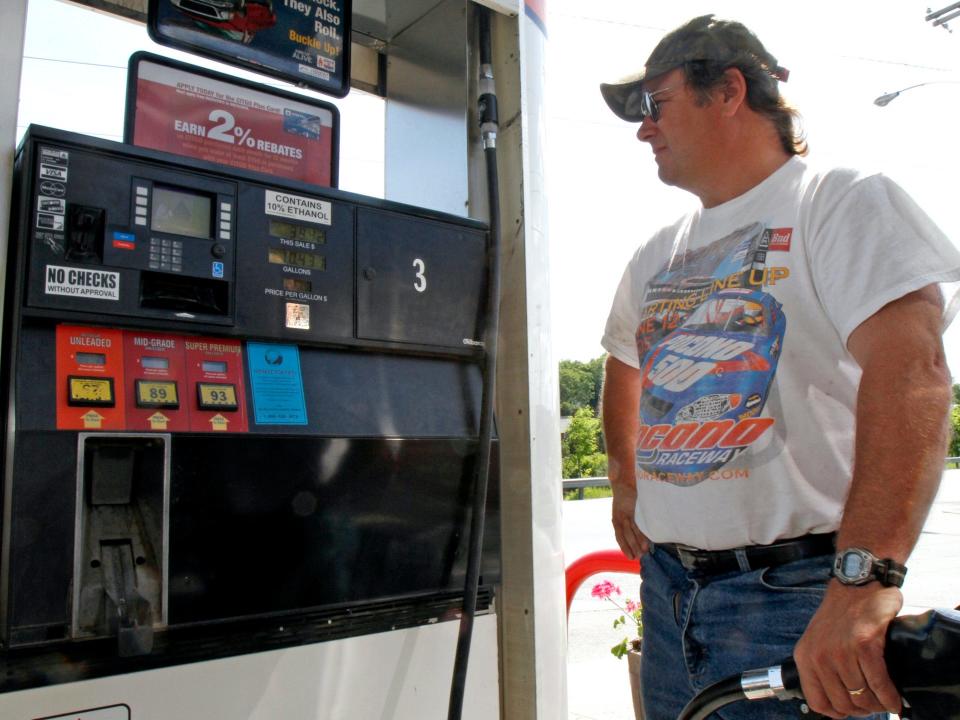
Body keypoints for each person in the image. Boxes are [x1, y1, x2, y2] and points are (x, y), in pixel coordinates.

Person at [598, 14, 960, 720]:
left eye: (655, 104)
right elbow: (621, 363)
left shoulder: (840, 202)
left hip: (792, 595)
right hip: (670, 593)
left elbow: (913, 377)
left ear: (728, 90)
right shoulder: (655, 254)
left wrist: (865, 581)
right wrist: (623, 479)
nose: (644, 130)